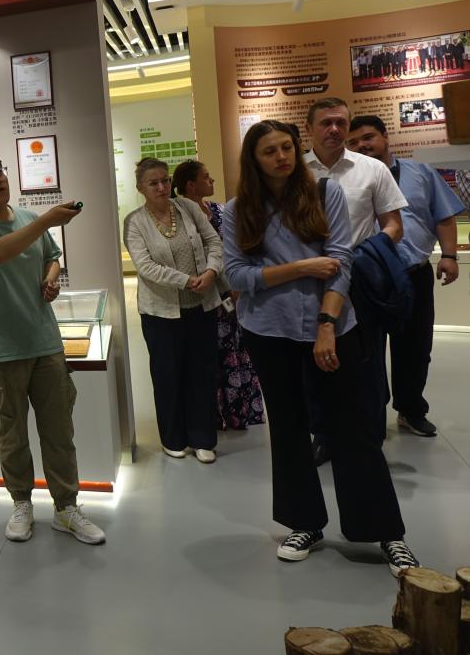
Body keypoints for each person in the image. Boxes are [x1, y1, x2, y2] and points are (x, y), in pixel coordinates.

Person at [222, 120, 418, 576]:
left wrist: (327, 324)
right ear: (254, 160)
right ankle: (304, 523)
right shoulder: (237, 211)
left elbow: (341, 262)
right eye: (269, 151)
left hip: (332, 325)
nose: (281, 157)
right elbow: (236, 275)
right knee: (289, 429)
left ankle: (386, 532)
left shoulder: (324, 193)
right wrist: (301, 267)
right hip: (268, 331)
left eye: (286, 147)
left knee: (354, 427)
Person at [0, 150, 105, 546]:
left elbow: (52, 257)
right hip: (1, 348)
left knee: (59, 431)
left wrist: (51, 278)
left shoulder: (27, 217)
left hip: (45, 342)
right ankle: (21, 503)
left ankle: (66, 507)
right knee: (12, 434)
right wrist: (45, 221)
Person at [347, 115, 464, 437]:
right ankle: (371, 416)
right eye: (353, 142)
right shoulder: (346, 179)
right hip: (364, 279)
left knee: (415, 347)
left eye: (368, 137)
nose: (361, 146)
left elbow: (443, 216)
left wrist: (450, 256)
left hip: (412, 274)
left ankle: (411, 410)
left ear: (386, 137)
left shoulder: (420, 173)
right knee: (366, 351)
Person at [304, 98, 407, 458]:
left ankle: (369, 436)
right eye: (325, 123)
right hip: (309, 280)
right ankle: (324, 435)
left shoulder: (371, 169)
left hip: (360, 280)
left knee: (367, 360)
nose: (334, 129)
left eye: (340, 123)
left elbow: (394, 225)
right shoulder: (295, 173)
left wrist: (365, 254)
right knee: (315, 361)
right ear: (309, 129)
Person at [123, 157, 223, 463]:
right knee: (168, 374)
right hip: (161, 313)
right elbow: (145, 266)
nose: (161, 187)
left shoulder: (188, 208)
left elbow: (214, 242)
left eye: (165, 180)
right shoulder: (135, 222)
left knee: (202, 372)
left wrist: (211, 272)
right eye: (153, 183)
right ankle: (173, 438)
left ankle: (202, 438)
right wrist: (186, 281)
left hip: (201, 305)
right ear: (140, 188)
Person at [171, 160, 265, 431]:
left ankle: (239, 411)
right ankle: (210, 416)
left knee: (234, 350)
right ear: (191, 185)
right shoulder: (178, 216)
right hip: (200, 295)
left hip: (231, 294)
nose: (211, 180)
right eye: (206, 177)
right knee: (205, 356)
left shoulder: (221, 211)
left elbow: (236, 248)